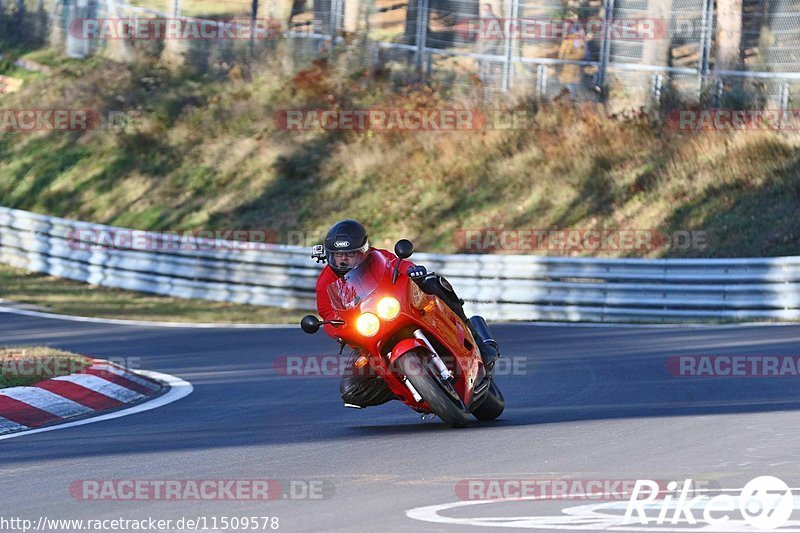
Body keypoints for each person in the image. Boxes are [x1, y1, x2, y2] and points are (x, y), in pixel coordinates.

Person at [314, 219, 475, 409]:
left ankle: (472, 332)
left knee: (433, 282)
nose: (343, 259)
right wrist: (338, 331)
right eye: (338, 255)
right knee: (351, 391)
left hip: (394, 310)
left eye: (350, 254)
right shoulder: (325, 283)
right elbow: (328, 316)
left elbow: (396, 264)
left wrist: (413, 270)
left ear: (363, 251)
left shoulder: (375, 257)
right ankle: (410, 385)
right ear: (329, 256)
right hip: (367, 332)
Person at [557, 17, 589, 99]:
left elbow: (580, 54)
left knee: (571, 92)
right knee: (568, 93)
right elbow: (561, 54)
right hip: (567, 72)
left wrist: (565, 58)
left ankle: (572, 98)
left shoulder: (576, 39)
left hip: (572, 72)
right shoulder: (568, 39)